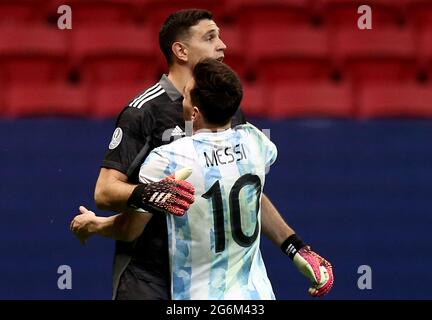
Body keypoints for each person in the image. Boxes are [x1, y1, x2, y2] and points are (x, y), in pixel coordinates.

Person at [70, 9, 333, 299]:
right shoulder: (143, 111)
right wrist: (151, 194)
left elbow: (246, 187)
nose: (223, 45)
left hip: (207, 277)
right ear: (181, 50)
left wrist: (293, 246)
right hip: (147, 276)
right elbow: (105, 190)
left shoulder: (224, 106)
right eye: (210, 37)